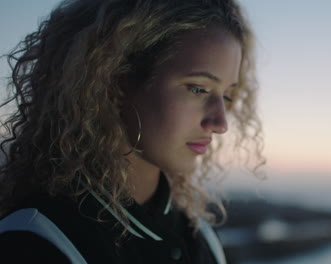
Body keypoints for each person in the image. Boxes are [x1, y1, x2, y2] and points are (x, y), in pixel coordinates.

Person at [0, 0, 265, 263]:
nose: (220, 123)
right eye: (199, 89)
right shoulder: (37, 243)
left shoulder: (203, 241)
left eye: (227, 96)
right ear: (116, 82)